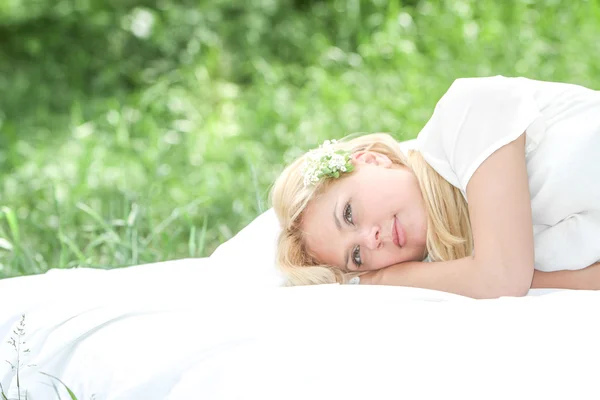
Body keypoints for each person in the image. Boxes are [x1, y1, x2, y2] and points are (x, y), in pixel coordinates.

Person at [270, 75, 600, 299]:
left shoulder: (463, 115)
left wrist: (385, 280)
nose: (370, 240)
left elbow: (504, 278)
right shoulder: (474, 260)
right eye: (356, 256)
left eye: (349, 214)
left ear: (370, 160)